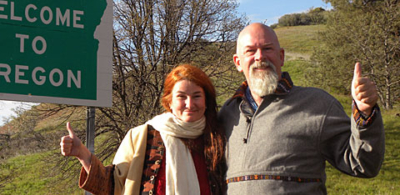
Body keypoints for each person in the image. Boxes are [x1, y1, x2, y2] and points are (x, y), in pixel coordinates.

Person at [218, 23, 385, 194]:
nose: (260, 56)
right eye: (250, 51)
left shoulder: (318, 104)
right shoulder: (227, 113)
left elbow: (364, 164)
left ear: (281, 56)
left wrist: (365, 112)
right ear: (238, 62)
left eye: (267, 48)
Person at [61, 64, 226, 195]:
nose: (189, 104)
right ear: (169, 102)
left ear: (206, 100)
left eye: (196, 96)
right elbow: (112, 186)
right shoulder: (142, 136)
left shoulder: (218, 138)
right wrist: (82, 153)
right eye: (181, 96)